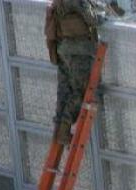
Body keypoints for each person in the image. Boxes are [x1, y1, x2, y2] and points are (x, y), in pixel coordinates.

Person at [45, 0, 124, 145]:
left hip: (63, 51)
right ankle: (63, 131)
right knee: (79, 92)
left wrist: (104, 8)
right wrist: (106, 16)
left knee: (64, 92)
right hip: (78, 52)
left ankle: (58, 130)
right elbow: (92, 19)